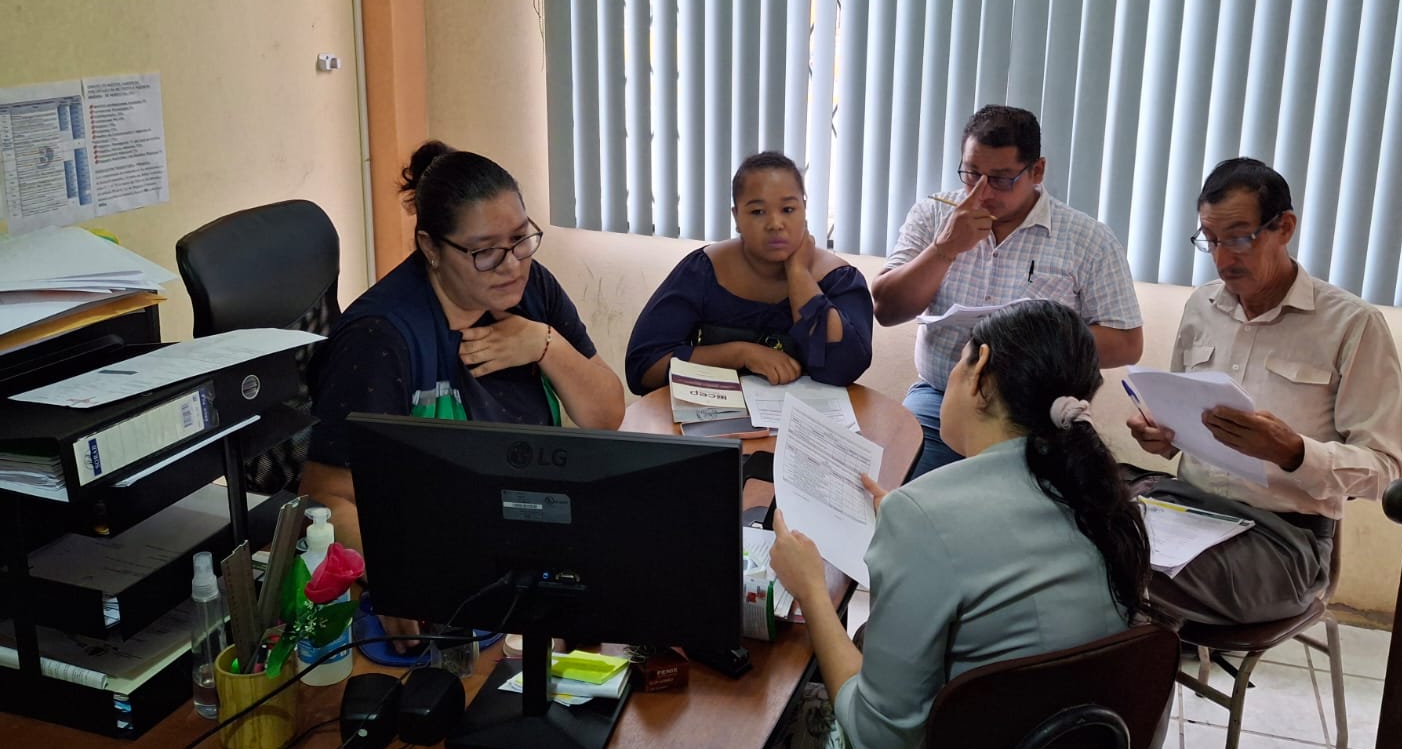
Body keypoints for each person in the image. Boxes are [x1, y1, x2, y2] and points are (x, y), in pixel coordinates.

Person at [749, 299, 1160, 749]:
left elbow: (877, 739)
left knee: (767, 719)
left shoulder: (924, 516)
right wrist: (913, 524)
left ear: (980, 371)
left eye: (959, 359)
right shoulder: (1099, 498)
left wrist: (812, 592)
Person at [299, 142, 625, 642]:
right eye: (484, 251)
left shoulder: (532, 289)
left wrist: (545, 344)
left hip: (532, 543)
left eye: (521, 239)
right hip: (443, 573)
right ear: (431, 248)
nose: (511, 265)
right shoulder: (381, 338)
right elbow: (325, 498)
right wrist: (396, 575)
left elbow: (606, 415)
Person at [1125, 158, 1402, 624]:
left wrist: (1293, 453)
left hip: (1283, 539)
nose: (1222, 259)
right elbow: (1181, 423)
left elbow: (1385, 473)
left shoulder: (1352, 325)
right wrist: (1161, 434)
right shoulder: (1202, 306)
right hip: (1187, 510)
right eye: (1210, 240)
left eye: (1239, 238)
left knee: (1119, 567)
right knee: (1079, 523)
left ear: (1284, 227)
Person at [872, 105, 1143, 476]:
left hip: (1037, 415)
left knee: (1040, 505)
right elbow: (886, 308)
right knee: (898, 492)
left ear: (1037, 171)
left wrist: (1028, 340)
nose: (981, 192)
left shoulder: (1088, 239)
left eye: (1001, 179)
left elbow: (1126, 343)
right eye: (971, 173)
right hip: (940, 400)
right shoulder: (933, 215)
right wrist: (944, 249)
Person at [625, 152, 873, 394]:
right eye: (757, 212)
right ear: (737, 218)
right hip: (712, 416)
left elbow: (843, 369)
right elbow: (643, 368)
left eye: (788, 209)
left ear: (804, 209)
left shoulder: (840, 279)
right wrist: (739, 354)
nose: (775, 224)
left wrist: (799, 273)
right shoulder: (702, 271)